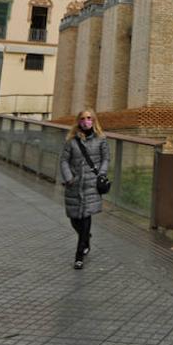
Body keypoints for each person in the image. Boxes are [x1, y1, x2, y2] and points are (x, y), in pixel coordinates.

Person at [59, 109, 110, 270]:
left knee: (86, 217)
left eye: (89, 118)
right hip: (74, 184)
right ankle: (86, 238)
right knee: (74, 219)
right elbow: (64, 161)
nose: (86, 121)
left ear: (94, 121)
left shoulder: (101, 139)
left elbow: (106, 159)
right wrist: (69, 178)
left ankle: (79, 256)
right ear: (78, 121)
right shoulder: (71, 141)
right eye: (83, 118)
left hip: (91, 184)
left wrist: (100, 175)